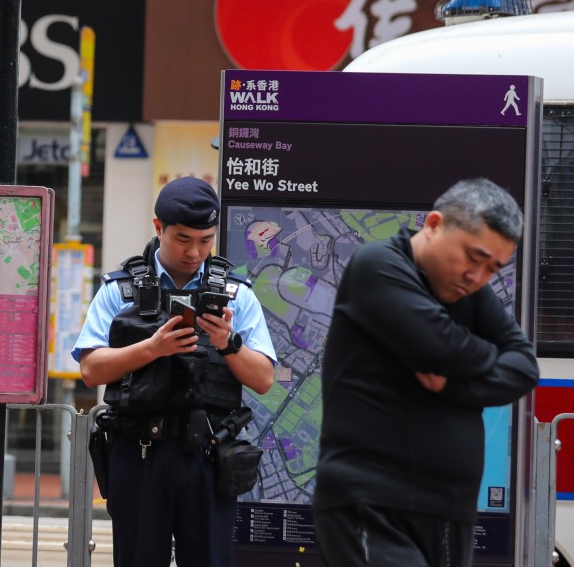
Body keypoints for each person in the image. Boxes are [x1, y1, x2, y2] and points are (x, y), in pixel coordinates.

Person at [312, 178, 539, 567]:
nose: (478, 276)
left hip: (450, 510)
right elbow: (441, 345)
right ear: (434, 224)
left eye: (493, 268)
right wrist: (484, 356)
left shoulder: (473, 292)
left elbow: (524, 367)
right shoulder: (378, 265)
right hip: (372, 502)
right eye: (473, 256)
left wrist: (452, 383)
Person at [73, 176, 277, 567]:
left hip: (209, 453)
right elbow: (91, 369)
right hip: (139, 451)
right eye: (183, 239)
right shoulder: (120, 290)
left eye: (206, 240)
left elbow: (263, 379)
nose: (195, 252)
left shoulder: (236, 293)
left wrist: (227, 344)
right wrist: (153, 349)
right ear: (158, 228)